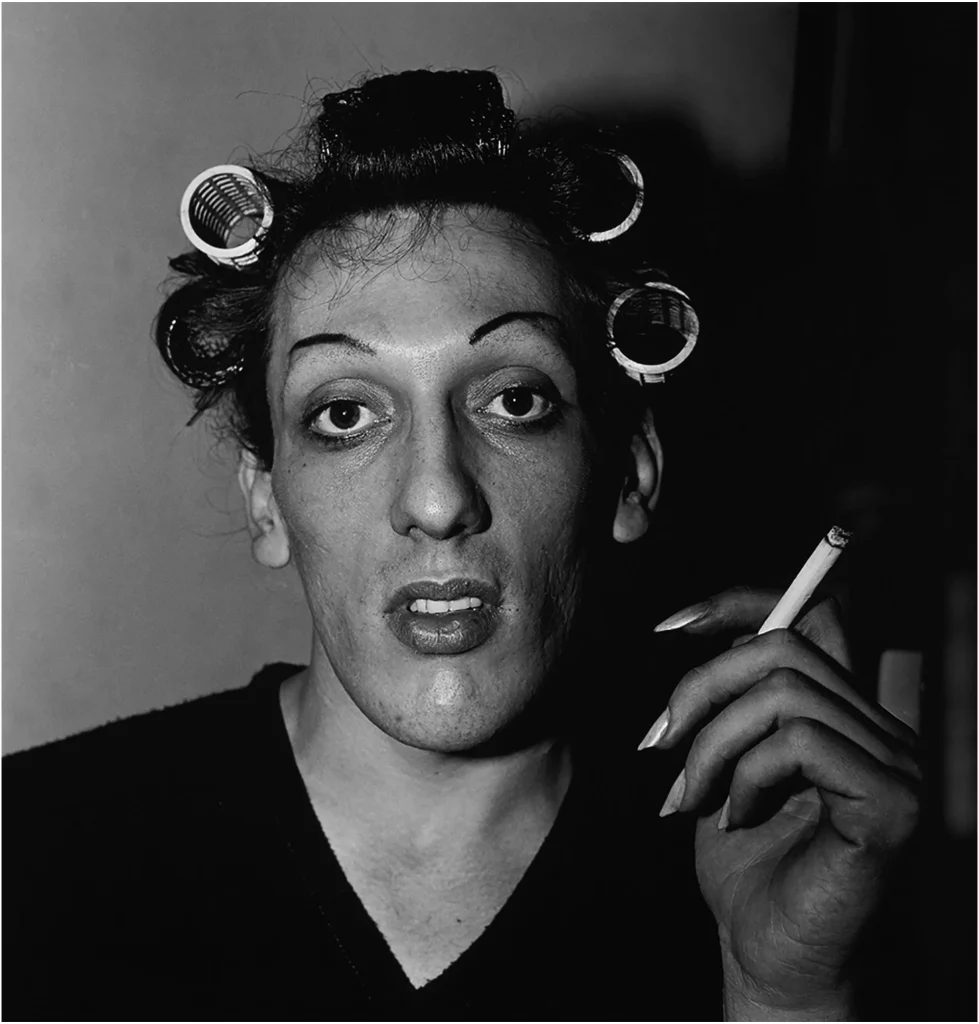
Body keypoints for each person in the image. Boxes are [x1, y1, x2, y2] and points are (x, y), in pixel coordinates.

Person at [4, 70, 919, 1019]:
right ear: (267, 497)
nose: (438, 499)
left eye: (514, 401)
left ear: (629, 472)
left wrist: (791, 995)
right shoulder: (26, 857)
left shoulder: (776, 877)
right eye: (345, 413)